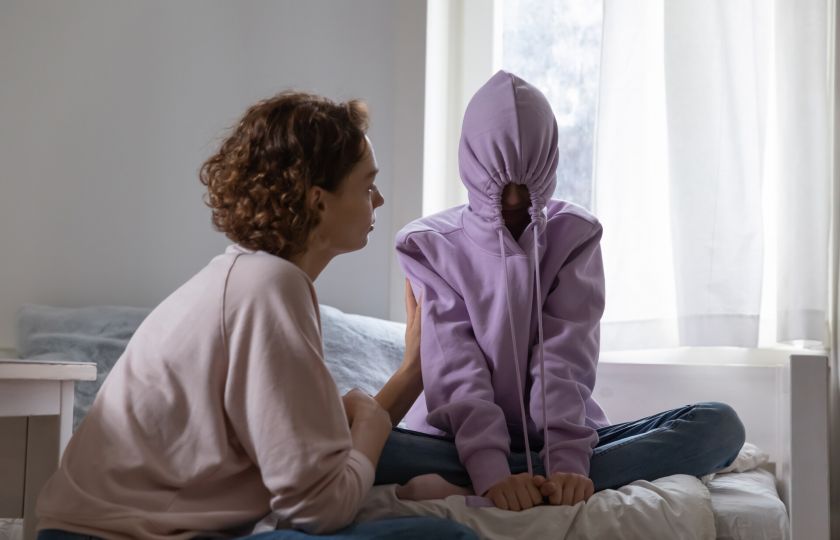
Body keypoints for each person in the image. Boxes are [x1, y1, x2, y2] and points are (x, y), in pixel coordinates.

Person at [35, 92, 478, 539]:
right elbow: (318, 508)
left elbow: (303, 468)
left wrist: (399, 389)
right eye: (367, 186)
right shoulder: (269, 288)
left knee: (412, 470)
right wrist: (370, 423)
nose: (378, 199)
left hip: (91, 529)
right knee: (445, 538)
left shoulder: (250, 277)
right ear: (318, 201)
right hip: (109, 535)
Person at [377, 70, 746, 511]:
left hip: (559, 442)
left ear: (549, 164)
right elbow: (458, 369)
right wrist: (491, 471)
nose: (515, 199)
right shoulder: (428, 246)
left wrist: (568, 463)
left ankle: (515, 483)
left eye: (527, 181)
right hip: (455, 443)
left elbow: (563, 361)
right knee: (367, 449)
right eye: (501, 183)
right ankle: (497, 481)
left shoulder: (576, 235)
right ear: (471, 164)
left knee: (720, 426)